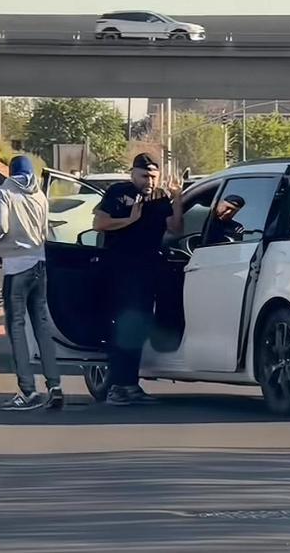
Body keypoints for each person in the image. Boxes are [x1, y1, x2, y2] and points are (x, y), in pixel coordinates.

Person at [93, 153, 183, 406]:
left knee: (138, 328)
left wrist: (177, 199)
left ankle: (129, 385)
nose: (149, 181)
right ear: (133, 173)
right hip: (121, 269)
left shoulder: (161, 198)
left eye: (153, 176)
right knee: (125, 327)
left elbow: (176, 228)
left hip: (147, 270)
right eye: (144, 176)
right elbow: (99, 223)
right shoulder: (119, 193)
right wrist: (129, 220)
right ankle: (117, 387)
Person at [0, 155, 63, 411]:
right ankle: (55, 386)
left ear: (11, 172)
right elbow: (45, 230)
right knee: (41, 325)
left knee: (16, 327)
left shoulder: (2, 193)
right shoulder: (40, 196)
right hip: (40, 263)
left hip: (16, 266)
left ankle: (28, 391)